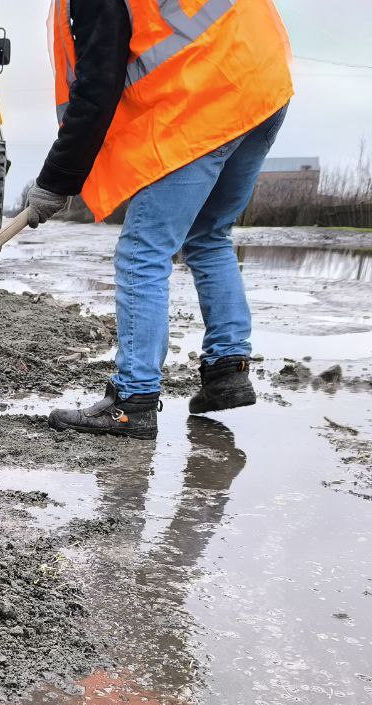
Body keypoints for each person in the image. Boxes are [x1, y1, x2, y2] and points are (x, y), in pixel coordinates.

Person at [25, 0, 294, 439]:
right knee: (209, 235)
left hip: (204, 97)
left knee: (143, 252)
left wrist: (57, 180)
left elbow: (97, 87)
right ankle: (227, 368)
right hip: (260, 82)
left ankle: (133, 402)